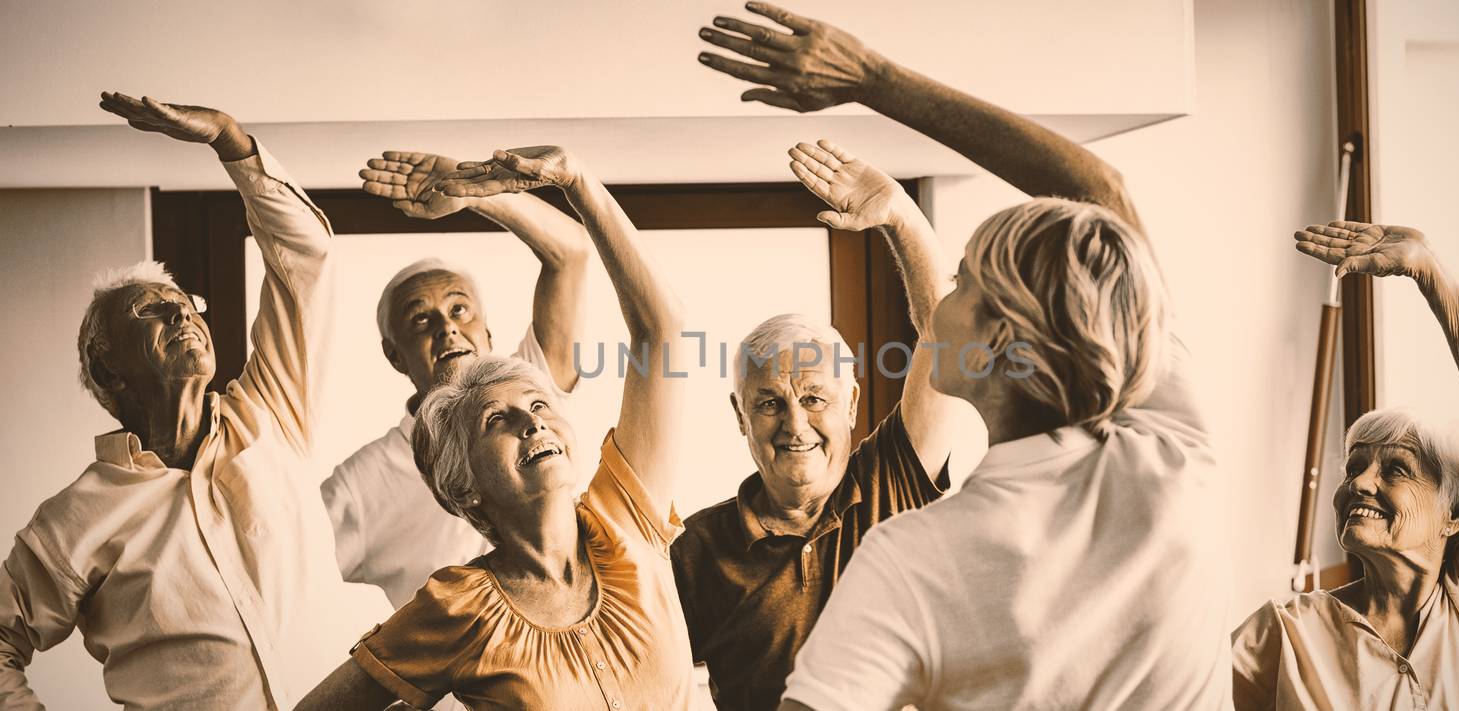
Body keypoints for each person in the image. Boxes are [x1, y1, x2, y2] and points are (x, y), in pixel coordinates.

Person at [698, 5, 1232, 709]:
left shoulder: (908, 558)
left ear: (998, 344)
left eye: (965, 282)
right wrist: (872, 78)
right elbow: (1102, 193)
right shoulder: (1171, 454)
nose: (941, 301)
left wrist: (872, 86)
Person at [296, 145, 694, 710]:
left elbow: (660, 327)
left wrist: (575, 181)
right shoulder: (453, 605)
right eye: (496, 421)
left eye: (539, 405)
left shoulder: (627, 521)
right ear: (465, 488)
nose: (532, 423)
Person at [0, 92, 351, 709]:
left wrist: (230, 141)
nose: (182, 316)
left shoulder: (271, 416)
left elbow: (308, 258)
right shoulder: (71, 521)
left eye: (188, 306)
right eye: (153, 312)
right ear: (107, 366)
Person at [668, 139, 959, 711]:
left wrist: (899, 216)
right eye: (770, 402)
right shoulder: (698, 550)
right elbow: (641, 680)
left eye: (813, 398)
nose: (795, 423)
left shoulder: (892, 481)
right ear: (740, 416)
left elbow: (943, 335)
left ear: (851, 403)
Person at [1231, 222, 1459, 710]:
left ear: (1454, 515)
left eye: (1397, 469)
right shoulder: (1288, 634)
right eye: (1352, 467)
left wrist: (1429, 272)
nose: (1357, 482)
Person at [322, 149, 588, 609]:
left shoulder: (533, 390)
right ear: (394, 356)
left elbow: (572, 253)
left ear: (486, 331)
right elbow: (281, 581)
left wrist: (470, 192)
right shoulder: (360, 485)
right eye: (420, 321)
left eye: (459, 309)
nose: (447, 328)